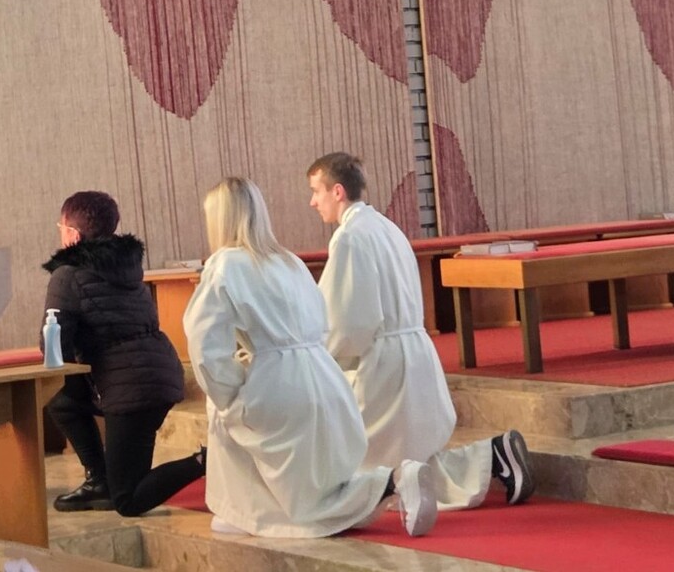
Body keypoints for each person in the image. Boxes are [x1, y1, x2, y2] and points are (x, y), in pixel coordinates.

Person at [182, 176, 437, 538]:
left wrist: (231, 393)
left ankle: (388, 483)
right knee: (315, 480)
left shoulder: (224, 265)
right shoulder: (289, 261)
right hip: (322, 373)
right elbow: (323, 318)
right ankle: (386, 482)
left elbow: (205, 344)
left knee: (230, 421)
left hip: (276, 379)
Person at [308, 152, 535, 509]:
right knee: (409, 463)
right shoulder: (387, 227)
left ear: (337, 191)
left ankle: (490, 458)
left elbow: (349, 318)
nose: (312, 201)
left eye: (316, 191)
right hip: (414, 351)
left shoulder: (350, 237)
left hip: (383, 364)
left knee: (360, 463)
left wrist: (320, 356)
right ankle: (493, 456)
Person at [42, 190, 205, 516]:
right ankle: (98, 481)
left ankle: (208, 460)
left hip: (131, 390)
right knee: (61, 400)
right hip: (157, 373)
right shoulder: (127, 268)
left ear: (73, 234)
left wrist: (59, 363)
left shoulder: (67, 275)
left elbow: (54, 344)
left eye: (61, 227)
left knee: (128, 500)